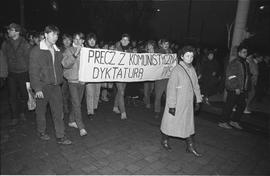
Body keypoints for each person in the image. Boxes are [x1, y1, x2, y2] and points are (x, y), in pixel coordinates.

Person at [29, 25, 72, 144]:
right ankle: (41, 131)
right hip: (42, 86)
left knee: (58, 111)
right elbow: (33, 71)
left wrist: (76, 53)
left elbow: (65, 65)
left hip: (56, 86)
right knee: (41, 111)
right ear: (46, 34)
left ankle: (60, 136)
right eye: (53, 34)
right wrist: (37, 88)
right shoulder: (36, 51)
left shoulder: (57, 50)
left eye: (57, 35)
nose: (55, 37)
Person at [160, 45, 202, 157]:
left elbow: (196, 86)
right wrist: (172, 105)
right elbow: (171, 89)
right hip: (177, 103)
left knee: (187, 125)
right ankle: (164, 140)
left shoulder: (192, 69)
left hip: (187, 104)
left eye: (192, 56)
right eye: (187, 56)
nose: (190, 58)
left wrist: (198, 100)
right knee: (170, 123)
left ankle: (190, 146)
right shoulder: (176, 70)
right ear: (182, 57)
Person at [1, 23, 31, 125]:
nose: (8, 31)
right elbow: (3, 59)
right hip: (11, 74)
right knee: (12, 95)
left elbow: (29, 60)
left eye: (11, 30)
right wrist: (4, 73)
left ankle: (22, 112)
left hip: (23, 73)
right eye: (8, 30)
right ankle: (15, 116)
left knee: (24, 95)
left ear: (17, 32)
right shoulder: (5, 44)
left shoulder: (25, 44)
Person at [218, 44, 251, 130]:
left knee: (242, 105)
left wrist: (246, 88)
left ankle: (234, 121)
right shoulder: (235, 63)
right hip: (234, 89)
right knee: (229, 105)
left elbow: (246, 76)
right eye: (244, 52)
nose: (246, 53)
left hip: (242, 89)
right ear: (239, 53)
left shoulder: (245, 63)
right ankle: (223, 122)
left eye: (246, 52)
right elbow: (231, 76)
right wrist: (235, 87)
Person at [62, 32, 87, 136]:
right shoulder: (69, 50)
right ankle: (81, 126)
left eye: (80, 39)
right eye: (75, 39)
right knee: (76, 103)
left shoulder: (87, 51)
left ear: (83, 41)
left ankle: (71, 121)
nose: (77, 41)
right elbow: (65, 64)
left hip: (82, 81)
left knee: (77, 103)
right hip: (72, 81)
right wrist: (75, 55)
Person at [113, 33, 132, 120]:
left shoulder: (130, 50)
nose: (125, 41)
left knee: (121, 91)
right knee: (121, 92)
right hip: (117, 74)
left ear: (128, 42)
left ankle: (115, 107)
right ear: (121, 40)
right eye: (123, 39)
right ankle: (123, 112)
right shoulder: (116, 48)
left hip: (125, 74)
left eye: (126, 40)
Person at [154, 39, 172, 118]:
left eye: (167, 44)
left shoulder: (171, 52)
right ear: (161, 45)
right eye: (165, 44)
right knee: (158, 96)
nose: (166, 45)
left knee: (169, 96)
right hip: (160, 78)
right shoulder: (158, 52)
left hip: (168, 78)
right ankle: (157, 111)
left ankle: (168, 111)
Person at [85, 33, 101, 120]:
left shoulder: (99, 50)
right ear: (87, 41)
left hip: (97, 76)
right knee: (90, 94)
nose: (92, 41)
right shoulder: (85, 50)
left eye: (93, 40)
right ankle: (90, 112)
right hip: (88, 76)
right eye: (90, 39)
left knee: (97, 92)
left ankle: (95, 107)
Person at [60, 34, 72, 116]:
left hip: (72, 74)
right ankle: (65, 107)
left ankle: (71, 108)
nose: (67, 41)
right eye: (65, 39)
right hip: (63, 74)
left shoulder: (74, 49)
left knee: (71, 92)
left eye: (69, 39)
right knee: (63, 92)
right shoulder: (59, 50)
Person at [143, 40, 156, 109]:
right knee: (146, 89)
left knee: (151, 89)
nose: (149, 46)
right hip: (146, 75)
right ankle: (147, 103)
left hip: (153, 75)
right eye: (148, 45)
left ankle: (146, 98)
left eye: (150, 45)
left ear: (152, 46)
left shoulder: (157, 54)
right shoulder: (145, 53)